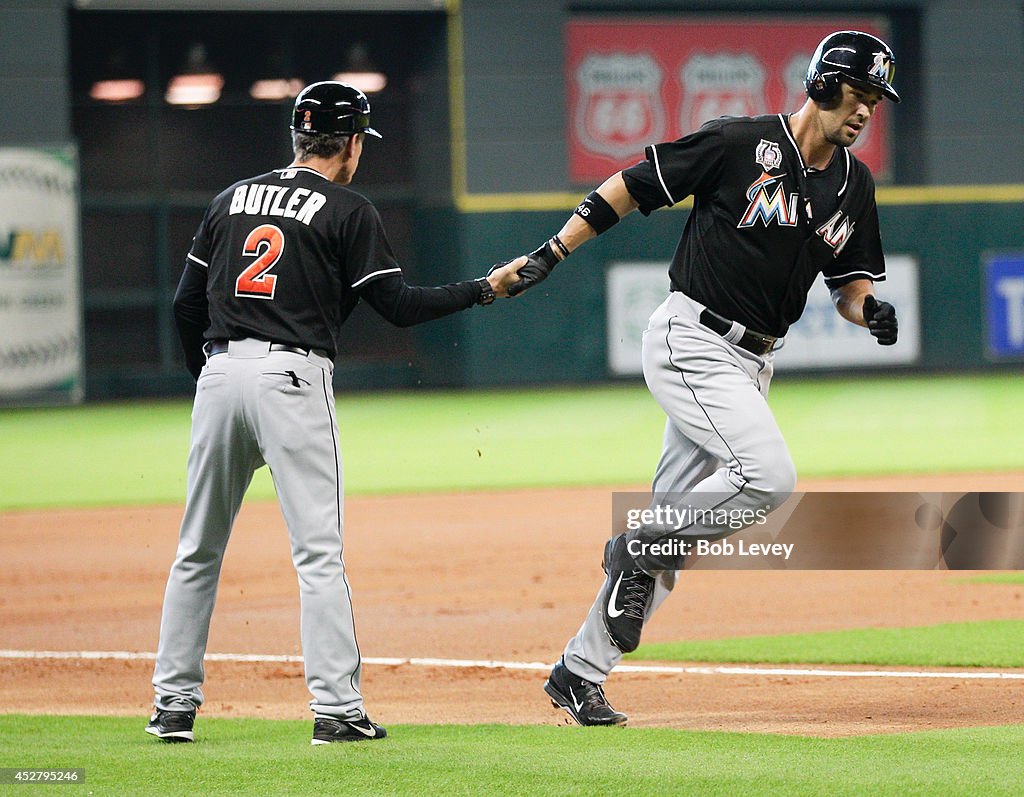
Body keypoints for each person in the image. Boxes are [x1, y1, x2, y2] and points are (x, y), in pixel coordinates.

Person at [504, 30, 902, 726]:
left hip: (754, 362)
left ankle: (578, 671)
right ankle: (639, 542)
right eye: (860, 92)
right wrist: (552, 251)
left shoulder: (854, 184)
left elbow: (849, 283)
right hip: (692, 339)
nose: (867, 110)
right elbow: (629, 185)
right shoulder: (738, 143)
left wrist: (869, 311)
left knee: (678, 528)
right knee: (765, 476)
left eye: (876, 99)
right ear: (821, 85)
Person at [146, 81, 522, 745]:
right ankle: (336, 709)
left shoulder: (230, 198)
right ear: (349, 144)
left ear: (299, 137)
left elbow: (184, 307)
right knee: (318, 554)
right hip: (292, 376)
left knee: (196, 550)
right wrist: (482, 289)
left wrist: (207, 377)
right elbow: (399, 306)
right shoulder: (347, 208)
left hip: (220, 373)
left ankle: (172, 707)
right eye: (360, 144)